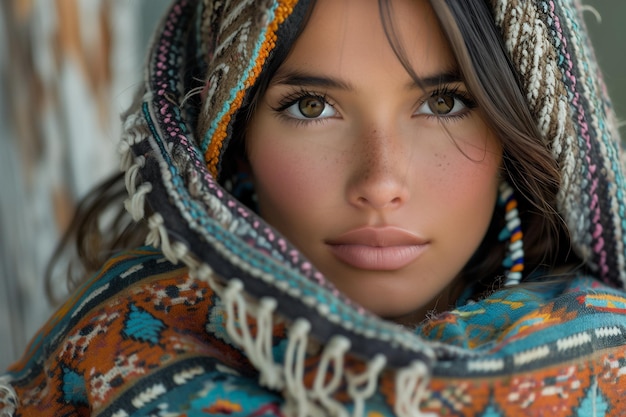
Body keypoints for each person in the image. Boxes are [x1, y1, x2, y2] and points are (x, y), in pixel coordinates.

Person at [1, 0, 626, 415]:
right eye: (311, 107)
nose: (380, 182)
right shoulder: (110, 353)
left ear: (527, 128)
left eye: (442, 104)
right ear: (229, 138)